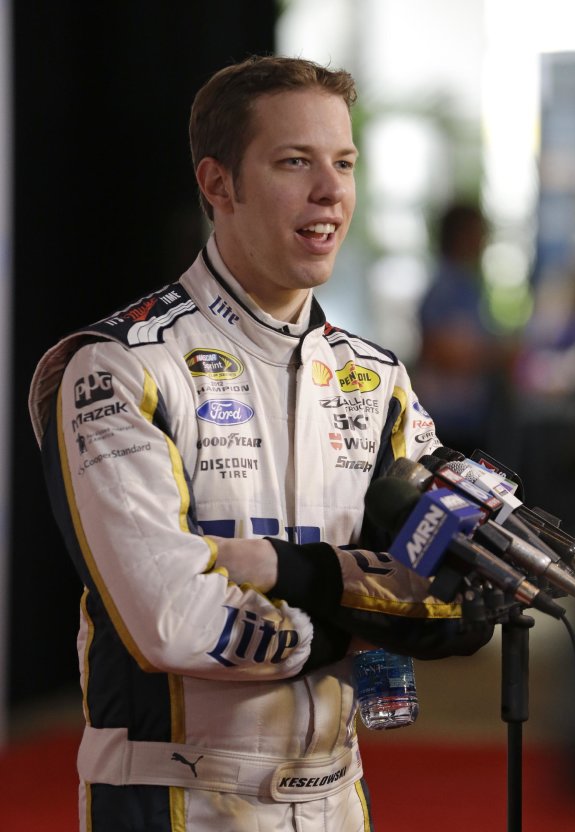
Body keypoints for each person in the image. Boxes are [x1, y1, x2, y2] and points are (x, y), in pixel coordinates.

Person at [29, 56, 492, 832]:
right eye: (293, 162)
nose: (331, 191)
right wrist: (362, 610)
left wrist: (299, 576)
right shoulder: (116, 365)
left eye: (343, 162)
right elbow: (175, 622)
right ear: (218, 185)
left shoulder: (375, 379)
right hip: (178, 802)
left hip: (342, 797)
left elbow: (459, 597)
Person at [415, 202, 511, 458]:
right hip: (449, 419)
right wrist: (497, 353)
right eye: (477, 232)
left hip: (468, 418)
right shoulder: (446, 288)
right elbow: (441, 351)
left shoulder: (469, 285)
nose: (483, 240)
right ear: (460, 236)